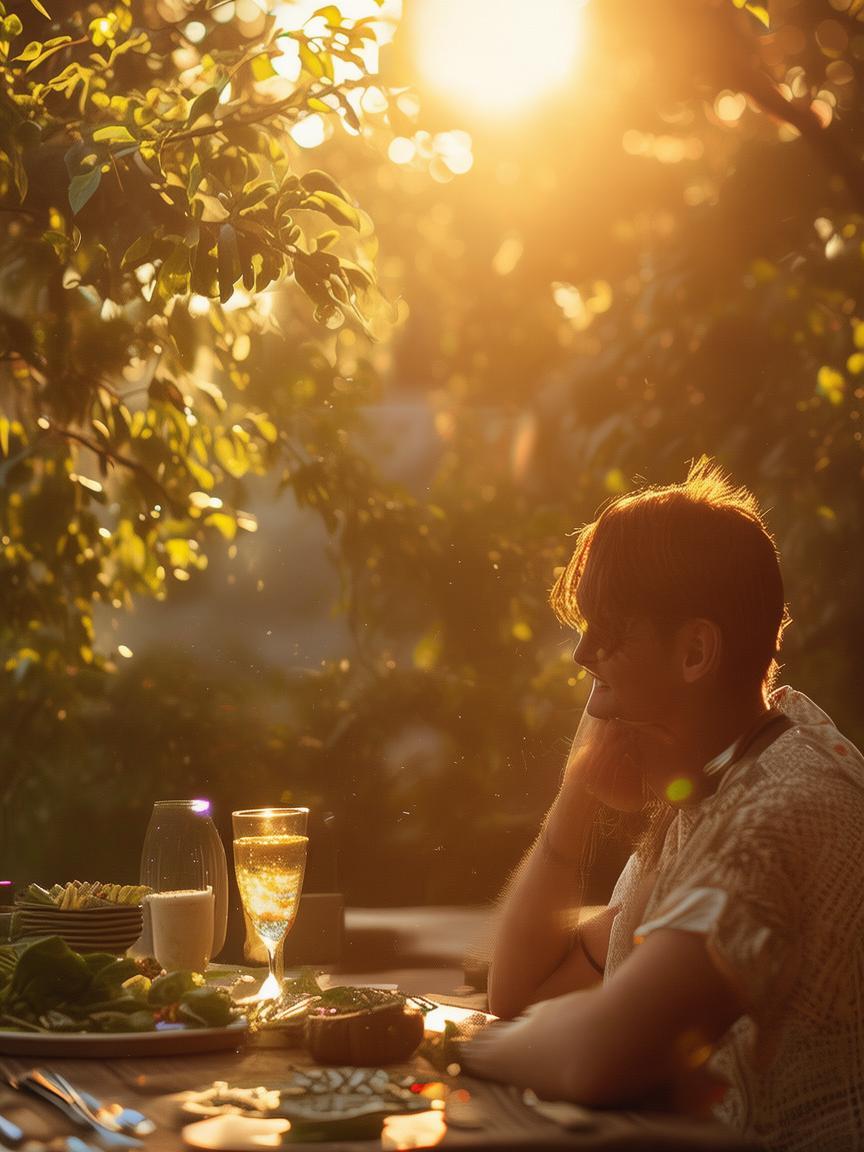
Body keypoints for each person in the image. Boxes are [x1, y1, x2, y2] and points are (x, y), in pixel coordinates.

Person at [461, 458, 864, 1151]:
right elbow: (523, 994)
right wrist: (577, 792)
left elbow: (600, 1052)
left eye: (608, 629)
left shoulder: (784, 810)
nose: (582, 654)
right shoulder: (714, 787)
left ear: (695, 650)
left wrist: (459, 1048)